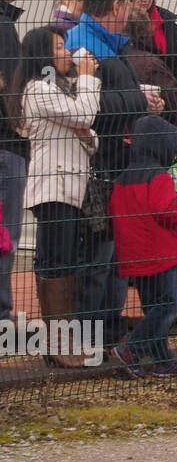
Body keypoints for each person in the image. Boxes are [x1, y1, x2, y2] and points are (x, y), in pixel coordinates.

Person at [65, 0, 160, 343]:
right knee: (99, 260)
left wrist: (140, 97)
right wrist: (139, 101)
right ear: (117, 7)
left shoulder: (107, 45)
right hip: (97, 169)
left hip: (113, 164)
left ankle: (108, 334)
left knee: (114, 257)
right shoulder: (83, 47)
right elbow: (89, 107)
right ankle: (91, 338)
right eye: (126, 3)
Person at [11, 26, 100, 365]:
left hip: (68, 186)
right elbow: (85, 115)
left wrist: (85, 130)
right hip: (53, 187)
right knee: (56, 260)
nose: (68, 53)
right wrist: (89, 80)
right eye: (60, 47)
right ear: (42, 55)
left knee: (63, 260)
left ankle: (60, 341)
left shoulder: (59, 90)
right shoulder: (38, 89)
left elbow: (90, 136)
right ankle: (59, 344)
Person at [108, 115, 177, 377]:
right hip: (159, 253)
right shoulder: (159, 176)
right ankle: (131, 348)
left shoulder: (123, 178)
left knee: (153, 309)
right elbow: (165, 212)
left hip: (134, 255)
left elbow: (116, 211)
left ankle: (162, 360)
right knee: (169, 304)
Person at [121, 6, 177, 137]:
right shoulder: (149, 64)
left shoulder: (109, 56)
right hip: (148, 137)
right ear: (146, 31)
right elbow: (176, 102)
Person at [0, 0, 28, 324]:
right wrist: (21, 127)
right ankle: (2, 316)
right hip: (6, 145)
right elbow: (12, 85)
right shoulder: (4, 28)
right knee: (6, 234)